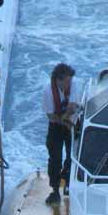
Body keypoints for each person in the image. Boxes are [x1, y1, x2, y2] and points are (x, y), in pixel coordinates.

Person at [42, 62, 82, 204]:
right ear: (58, 80)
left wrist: (68, 121)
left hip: (72, 123)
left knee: (73, 155)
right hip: (57, 125)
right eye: (67, 81)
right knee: (55, 158)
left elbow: (72, 107)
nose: (70, 84)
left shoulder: (74, 85)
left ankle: (68, 180)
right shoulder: (48, 92)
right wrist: (64, 121)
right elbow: (51, 116)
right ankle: (55, 189)